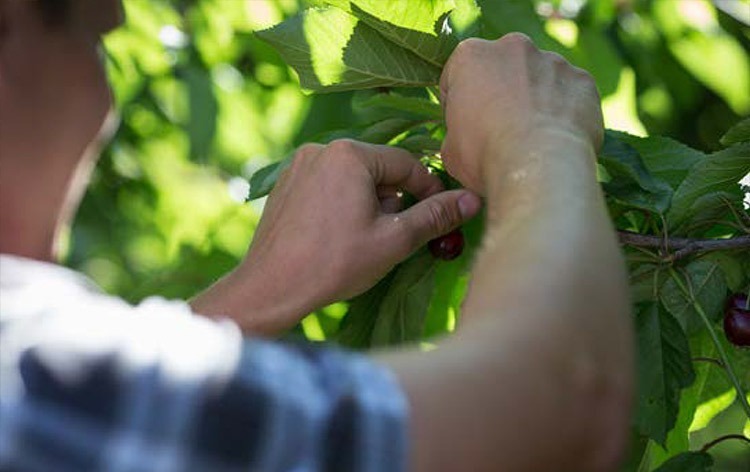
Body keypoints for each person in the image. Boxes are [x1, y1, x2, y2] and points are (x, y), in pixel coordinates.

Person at [0, 0, 634, 470]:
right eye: (83, 26)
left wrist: (252, 298)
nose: (111, 13)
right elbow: (558, 413)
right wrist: (538, 138)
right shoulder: (28, 372)